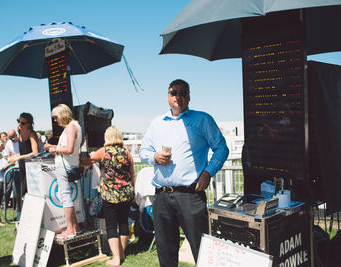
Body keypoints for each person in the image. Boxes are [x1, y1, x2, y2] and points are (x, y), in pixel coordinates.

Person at [139, 79, 229, 266]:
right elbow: (143, 152)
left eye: (183, 93)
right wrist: (155, 157)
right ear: (167, 96)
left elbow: (221, 148)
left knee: (202, 251)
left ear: (189, 96)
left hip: (191, 196)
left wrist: (207, 173)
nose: (178, 96)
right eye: (174, 92)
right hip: (162, 197)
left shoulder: (202, 119)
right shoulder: (156, 123)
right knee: (166, 254)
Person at [82, 126, 135, 267]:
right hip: (126, 193)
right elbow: (132, 173)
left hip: (110, 194)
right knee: (123, 223)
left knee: (111, 226)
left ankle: (116, 259)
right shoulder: (127, 153)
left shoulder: (104, 151)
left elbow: (87, 161)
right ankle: (122, 254)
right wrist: (133, 191)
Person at [44, 104, 82, 239]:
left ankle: (70, 229)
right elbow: (68, 148)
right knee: (67, 197)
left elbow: (69, 149)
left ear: (62, 115)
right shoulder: (74, 126)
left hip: (65, 166)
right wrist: (54, 147)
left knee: (65, 197)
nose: (55, 120)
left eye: (55, 117)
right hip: (68, 164)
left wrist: (54, 150)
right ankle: (75, 226)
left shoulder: (71, 127)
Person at [9, 113, 39, 218]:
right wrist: (16, 156)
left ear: (29, 124)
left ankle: (30, 216)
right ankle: (21, 215)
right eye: (18, 121)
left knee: (28, 192)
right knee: (19, 192)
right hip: (22, 166)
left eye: (22, 122)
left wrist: (20, 157)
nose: (19, 124)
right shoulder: (19, 131)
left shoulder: (32, 134)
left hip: (31, 167)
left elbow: (35, 152)